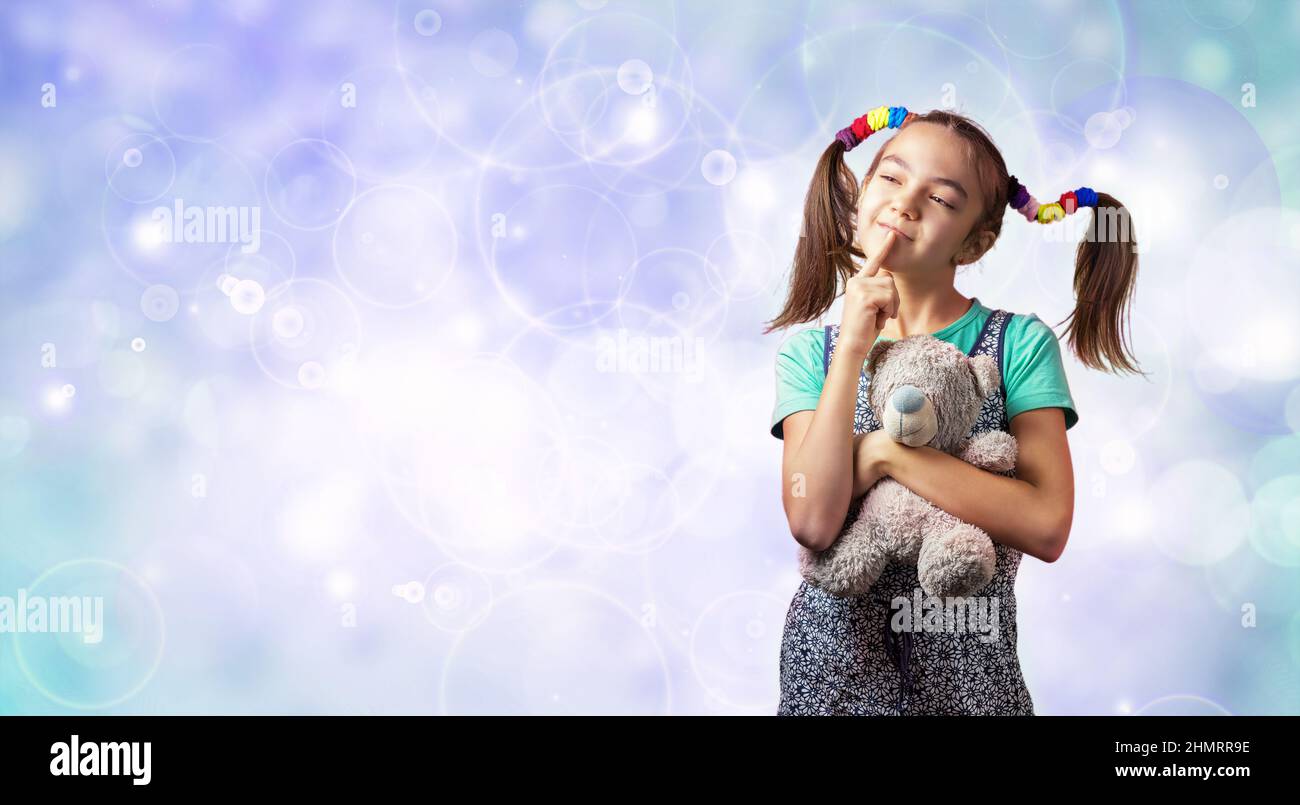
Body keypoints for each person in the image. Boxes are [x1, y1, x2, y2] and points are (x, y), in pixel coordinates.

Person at [765, 105, 1145, 715]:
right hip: (831, 686)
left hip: (972, 691)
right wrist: (854, 347)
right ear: (862, 192)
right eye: (890, 177)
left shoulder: (1016, 345)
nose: (905, 204)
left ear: (976, 240)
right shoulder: (815, 353)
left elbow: (1046, 525)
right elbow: (812, 519)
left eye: (940, 198)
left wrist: (887, 454)